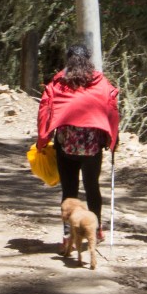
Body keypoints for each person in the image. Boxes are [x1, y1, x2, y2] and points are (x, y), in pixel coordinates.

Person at [36, 43, 120, 242]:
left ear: (68, 59)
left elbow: (45, 112)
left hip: (66, 145)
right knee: (92, 187)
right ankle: (97, 229)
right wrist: (113, 139)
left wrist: (42, 140)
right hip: (93, 147)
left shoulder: (58, 83)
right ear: (88, 59)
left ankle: (68, 233)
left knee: (69, 189)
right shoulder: (101, 83)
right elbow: (112, 110)